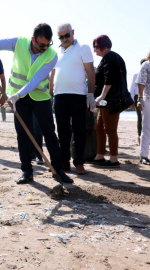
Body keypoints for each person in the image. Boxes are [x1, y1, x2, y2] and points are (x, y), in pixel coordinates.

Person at [0, 23, 73, 184]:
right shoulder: (19, 42)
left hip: (39, 97)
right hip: (19, 98)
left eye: (48, 44)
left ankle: (58, 170)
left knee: (49, 132)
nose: (45, 48)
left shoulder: (52, 56)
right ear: (33, 39)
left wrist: (18, 95)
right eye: (41, 44)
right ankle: (26, 171)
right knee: (23, 134)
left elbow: (36, 80)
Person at [50, 23, 96, 175]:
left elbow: (90, 72)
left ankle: (79, 163)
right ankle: (64, 162)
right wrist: (51, 92)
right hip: (59, 96)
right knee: (62, 131)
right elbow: (53, 73)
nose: (64, 39)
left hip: (78, 96)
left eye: (66, 35)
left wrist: (90, 95)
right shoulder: (56, 51)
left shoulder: (83, 47)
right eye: (61, 37)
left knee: (79, 131)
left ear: (72, 32)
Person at [90, 35, 126, 168]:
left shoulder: (111, 57)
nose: (95, 50)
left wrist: (102, 96)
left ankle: (113, 159)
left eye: (96, 46)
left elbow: (110, 78)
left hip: (111, 100)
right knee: (98, 127)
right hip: (106, 101)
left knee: (110, 129)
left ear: (104, 46)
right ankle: (99, 156)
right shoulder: (107, 58)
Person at [130, 59, 147, 146]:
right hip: (138, 97)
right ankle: (140, 136)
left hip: (148, 97)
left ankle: (145, 135)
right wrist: (132, 100)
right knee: (140, 118)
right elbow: (132, 88)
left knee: (148, 118)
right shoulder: (136, 74)